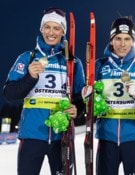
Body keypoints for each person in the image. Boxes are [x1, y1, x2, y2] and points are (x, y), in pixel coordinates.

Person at [3, 7, 85, 175]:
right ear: (41, 29)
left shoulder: (72, 62)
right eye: (47, 27)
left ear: (63, 31)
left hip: (61, 136)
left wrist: (77, 108)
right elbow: (9, 93)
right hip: (32, 134)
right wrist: (30, 77)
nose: (51, 32)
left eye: (56, 28)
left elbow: (80, 97)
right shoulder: (28, 58)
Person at [94, 16, 135, 175]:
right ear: (111, 40)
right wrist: (88, 97)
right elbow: (88, 101)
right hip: (107, 138)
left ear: (133, 41)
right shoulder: (100, 66)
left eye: (127, 39)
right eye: (118, 38)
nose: (123, 44)